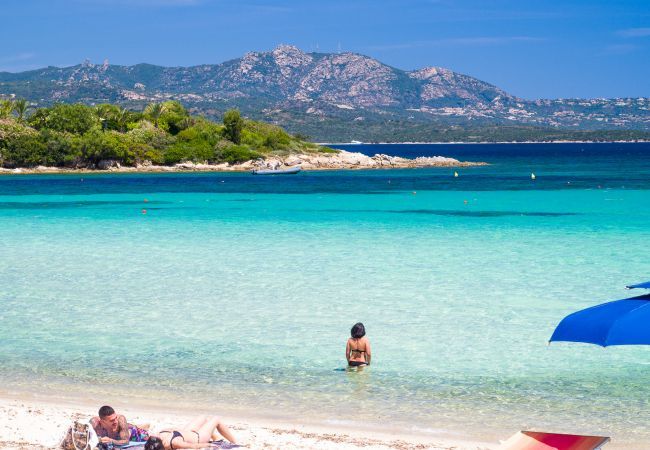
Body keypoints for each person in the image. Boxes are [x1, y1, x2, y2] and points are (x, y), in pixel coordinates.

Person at [146, 416, 237, 449]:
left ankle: (215, 438)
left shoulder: (155, 439)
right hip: (199, 437)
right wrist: (209, 445)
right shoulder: (175, 442)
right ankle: (235, 442)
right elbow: (194, 446)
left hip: (187, 432)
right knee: (216, 419)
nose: (158, 435)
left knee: (203, 417)